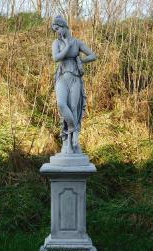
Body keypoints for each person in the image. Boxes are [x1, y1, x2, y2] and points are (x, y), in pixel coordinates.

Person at [51, 15, 97, 154]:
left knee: (74, 108)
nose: (57, 32)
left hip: (75, 78)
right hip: (62, 77)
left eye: (58, 28)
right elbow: (56, 58)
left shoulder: (77, 43)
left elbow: (93, 56)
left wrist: (80, 61)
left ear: (64, 27)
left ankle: (73, 139)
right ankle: (73, 130)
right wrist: (68, 47)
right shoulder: (57, 43)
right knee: (61, 104)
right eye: (55, 30)